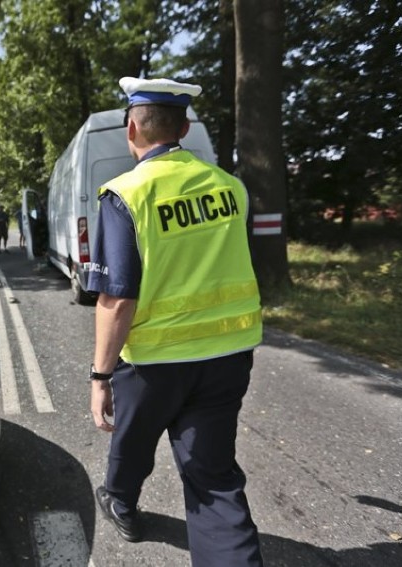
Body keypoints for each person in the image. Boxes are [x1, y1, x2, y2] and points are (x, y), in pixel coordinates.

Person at [88, 77, 264, 567]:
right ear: (184, 127)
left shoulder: (125, 193)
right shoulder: (231, 188)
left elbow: (117, 299)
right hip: (228, 355)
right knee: (213, 479)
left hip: (153, 362)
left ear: (131, 128)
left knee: (132, 440)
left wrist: (100, 377)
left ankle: (120, 501)